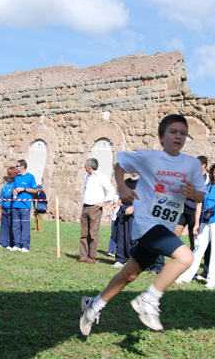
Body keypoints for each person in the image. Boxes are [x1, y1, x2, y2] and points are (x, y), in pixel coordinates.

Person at [79, 114, 207, 335]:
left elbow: (201, 195)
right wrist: (122, 187)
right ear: (161, 137)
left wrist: (194, 193)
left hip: (165, 228)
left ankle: (94, 305)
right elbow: (120, 165)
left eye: (183, 133)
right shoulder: (148, 158)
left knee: (128, 274)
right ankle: (149, 300)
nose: (178, 137)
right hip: (147, 224)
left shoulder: (191, 164)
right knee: (186, 257)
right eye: (173, 132)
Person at [78, 158, 115, 264]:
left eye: (86, 165)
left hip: (95, 208)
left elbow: (111, 190)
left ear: (90, 166)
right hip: (85, 207)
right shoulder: (88, 177)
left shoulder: (102, 177)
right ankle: (83, 256)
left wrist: (105, 202)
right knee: (84, 233)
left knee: (93, 234)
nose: (84, 166)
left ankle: (91, 258)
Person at [174, 156, 209, 252]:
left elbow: (200, 196)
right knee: (175, 233)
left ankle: (192, 258)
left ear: (203, 165)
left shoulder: (207, 179)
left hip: (195, 210)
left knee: (192, 238)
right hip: (184, 209)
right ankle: (178, 255)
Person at [112, 174, 139, 268]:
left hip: (135, 212)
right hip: (123, 211)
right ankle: (120, 259)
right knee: (120, 236)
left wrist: (133, 208)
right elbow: (121, 197)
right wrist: (116, 204)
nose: (134, 173)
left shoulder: (143, 183)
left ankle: (131, 261)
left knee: (130, 238)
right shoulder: (126, 182)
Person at [12, 159, 37, 253]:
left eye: (17, 166)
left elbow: (35, 190)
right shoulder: (17, 178)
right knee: (16, 226)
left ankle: (25, 246)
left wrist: (24, 189)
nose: (16, 168)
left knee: (25, 226)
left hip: (25, 206)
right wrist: (14, 191)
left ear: (22, 167)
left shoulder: (30, 177)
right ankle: (16, 244)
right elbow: (14, 188)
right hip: (15, 205)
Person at [0, 167, 17, 250]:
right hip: (4, 205)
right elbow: (2, 191)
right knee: (3, 224)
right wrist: (0, 201)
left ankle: (10, 242)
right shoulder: (7, 183)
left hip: (11, 206)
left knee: (10, 225)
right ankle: (2, 242)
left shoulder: (15, 183)